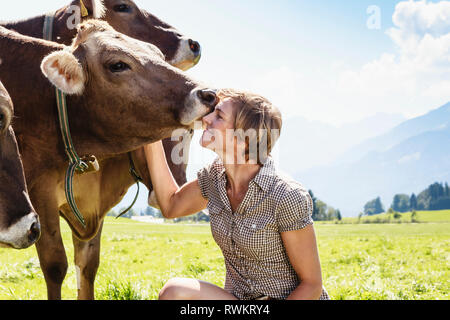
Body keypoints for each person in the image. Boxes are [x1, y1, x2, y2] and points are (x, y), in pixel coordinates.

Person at [143, 89, 330, 300]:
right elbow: (171, 205)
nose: (206, 119)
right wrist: (149, 136)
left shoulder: (286, 195)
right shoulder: (214, 178)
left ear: (244, 140)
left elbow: (312, 285)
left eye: (219, 116)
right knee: (174, 292)